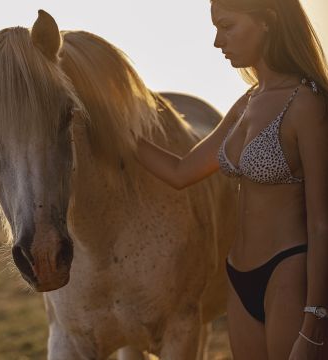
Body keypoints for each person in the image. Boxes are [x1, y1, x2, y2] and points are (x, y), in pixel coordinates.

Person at [131, 0, 328, 358]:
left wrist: (316, 318)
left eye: (227, 26)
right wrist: (115, 126)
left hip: (288, 272)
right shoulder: (247, 103)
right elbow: (181, 172)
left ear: (267, 21)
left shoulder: (306, 104)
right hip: (237, 277)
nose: (217, 41)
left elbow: (321, 223)